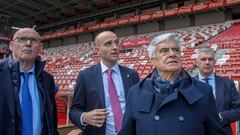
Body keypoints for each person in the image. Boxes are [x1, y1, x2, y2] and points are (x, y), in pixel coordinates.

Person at [119, 33, 225, 135]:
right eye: (164, 51)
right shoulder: (135, 93)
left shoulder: (204, 91)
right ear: (153, 61)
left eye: (175, 50)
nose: (172, 54)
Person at [69, 31, 140, 135]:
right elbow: (74, 110)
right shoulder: (85, 76)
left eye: (116, 42)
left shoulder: (132, 74)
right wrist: (84, 117)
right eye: (108, 44)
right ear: (98, 51)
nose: (115, 47)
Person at [0, 28, 59, 135]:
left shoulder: (48, 79)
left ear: (40, 47)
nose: (28, 43)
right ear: (11, 46)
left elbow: (51, 119)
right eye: (22, 39)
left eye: (33, 40)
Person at [194, 47, 240, 135]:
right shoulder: (188, 84)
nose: (207, 62)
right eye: (203, 59)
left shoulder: (228, 84)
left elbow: (238, 109)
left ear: (214, 62)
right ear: (197, 63)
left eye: (210, 59)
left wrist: (221, 117)